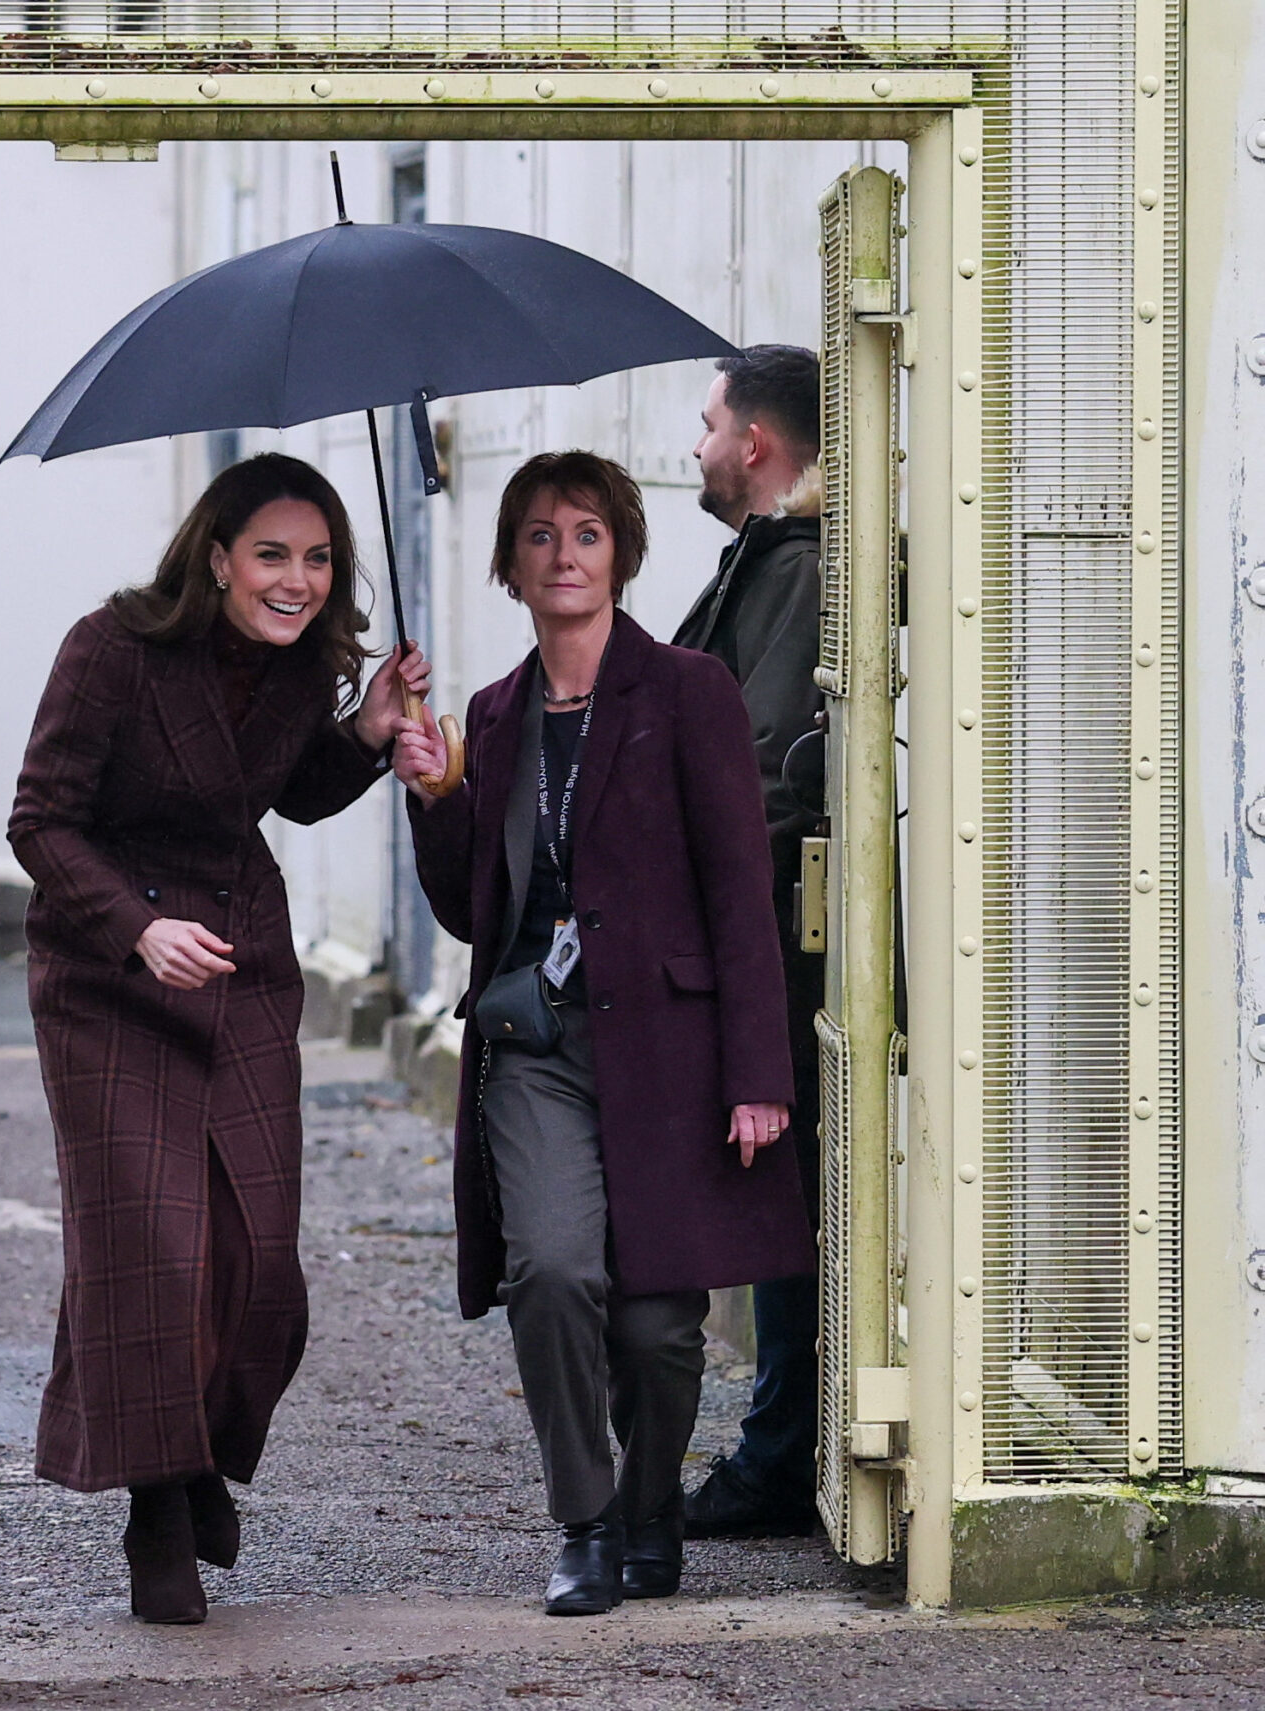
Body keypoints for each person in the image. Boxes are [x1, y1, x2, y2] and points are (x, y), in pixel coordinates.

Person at [394, 450, 811, 1616]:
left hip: (670, 1050)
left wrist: (756, 1072)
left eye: (584, 532)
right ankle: (581, 1521)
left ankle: (648, 1505)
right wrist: (438, 800)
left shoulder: (688, 693)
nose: (563, 554)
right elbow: (472, 910)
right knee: (555, 1272)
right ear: (510, 566)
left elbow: (740, 891)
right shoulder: (492, 714)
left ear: (619, 552)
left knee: (657, 1323)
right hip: (537, 1046)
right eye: (538, 535)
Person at [9, 452, 414, 1624]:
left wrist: (371, 728)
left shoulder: (303, 666)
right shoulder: (113, 647)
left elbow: (286, 794)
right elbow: (39, 819)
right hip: (107, 977)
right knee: (157, 1254)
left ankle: (198, 1454)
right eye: (273, 554)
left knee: (257, 1262)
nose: (297, 579)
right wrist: (138, 932)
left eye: (319, 558)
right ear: (219, 556)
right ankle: (159, 1509)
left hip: (239, 966)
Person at [671, 345, 828, 1539]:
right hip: (760, 932)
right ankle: (784, 1442)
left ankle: (782, 1454)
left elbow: (765, 773)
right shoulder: (771, 565)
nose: (697, 443)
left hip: (778, 940)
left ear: (756, 445)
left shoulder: (801, 569)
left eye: (709, 421)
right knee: (780, 1192)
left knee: (788, 1193)